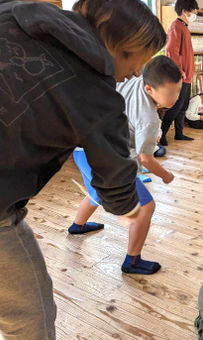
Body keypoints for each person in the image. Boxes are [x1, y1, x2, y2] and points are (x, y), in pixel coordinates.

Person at [0, 0, 165, 338]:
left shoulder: (11, 10)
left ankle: (79, 224)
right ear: (117, 44)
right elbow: (116, 180)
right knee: (31, 317)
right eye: (137, 60)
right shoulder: (97, 94)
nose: (135, 73)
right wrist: (129, 209)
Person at [70, 56, 181, 275]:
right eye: (170, 94)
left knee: (96, 193)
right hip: (105, 157)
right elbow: (146, 159)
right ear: (149, 88)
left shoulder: (133, 78)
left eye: (178, 90)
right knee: (146, 207)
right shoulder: (149, 119)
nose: (176, 98)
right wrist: (166, 175)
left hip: (81, 147)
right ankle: (132, 261)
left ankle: (78, 226)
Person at [160, 0, 199, 145]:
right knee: (175, 106)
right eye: (194, 10)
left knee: (183, 107)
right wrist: (180, 71)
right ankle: (162, 134)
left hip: (187, 76)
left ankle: (179, 133)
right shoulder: (176, 26)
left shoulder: (184, 27)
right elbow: (171, 51)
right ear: (184, 10)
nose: (195, 13)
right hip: (180, 76)